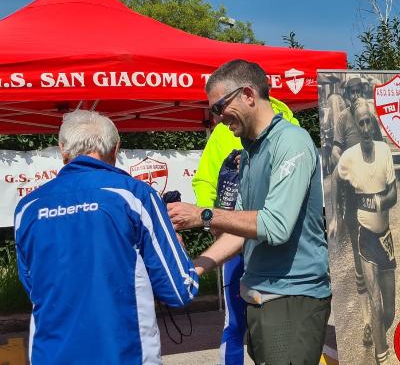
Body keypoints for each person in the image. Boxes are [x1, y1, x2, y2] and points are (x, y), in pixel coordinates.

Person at [168, 59, 331, 364]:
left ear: (248, 95)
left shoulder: (292, 142)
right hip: (261, 298)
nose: (216, 119)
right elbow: (241, 230)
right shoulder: (249, 151)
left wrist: (204, 214)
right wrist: (195, 268)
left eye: (219, 107)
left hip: (292, 298)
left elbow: (276, 225)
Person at [14, 110, 198, 364]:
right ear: (116, 148)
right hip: (124, 354)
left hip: (49, 354)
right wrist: (178, 251)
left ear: (62, 150)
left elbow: (34, 286)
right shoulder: (136, 195)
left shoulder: (27, 207)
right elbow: (179, 290)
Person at [192, 97, 299, 365]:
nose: (226, 121)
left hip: (281, 246)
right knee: (236, 323)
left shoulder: (291, 129)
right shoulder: (223, 131)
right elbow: (205, 179)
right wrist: (211, 222)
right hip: (237, 242)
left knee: (284, 326)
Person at [332, 101, 397, 364]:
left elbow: (393, 192)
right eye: (362, 123)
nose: (366, 127)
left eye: (370, 121)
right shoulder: (349, 155)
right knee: (376, 301)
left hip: (386, 236)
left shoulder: (383, 151)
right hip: (364, 234)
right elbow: (336, 178)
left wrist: (381, 202)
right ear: (357, 126)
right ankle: (381, 355)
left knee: (390, 310)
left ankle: (377, 328)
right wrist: (335, 215)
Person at [330, 80, 384, 347]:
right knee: (360, 262)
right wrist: (337, 156)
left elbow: (383, 152)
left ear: (362, 93)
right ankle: (366, 321)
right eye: (349, 92)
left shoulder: (370, 117)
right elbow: (336, 147)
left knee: (378, 259)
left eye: (357, 92)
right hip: (352, 198)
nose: (353, 96)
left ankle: (380, 314)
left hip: (374, 197)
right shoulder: (342, 118)